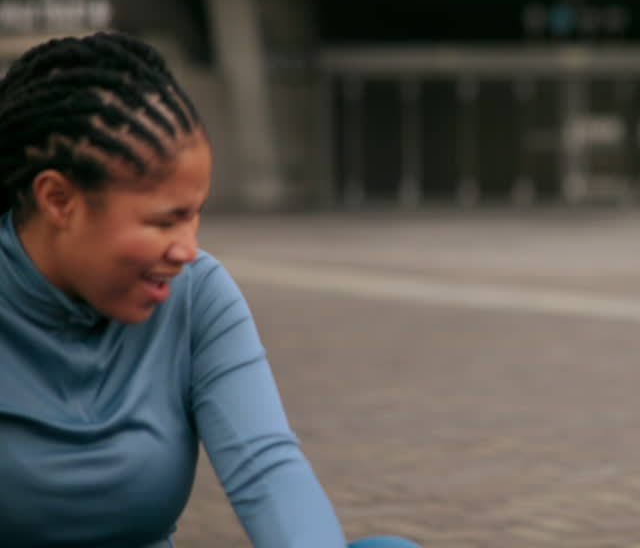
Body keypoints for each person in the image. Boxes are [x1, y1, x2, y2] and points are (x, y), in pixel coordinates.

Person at [0, 33, 418, 548]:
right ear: (59, 200)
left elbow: (266, 470)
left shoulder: (196, 292)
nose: (187, 249)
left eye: (195, 215)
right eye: (165, 220)